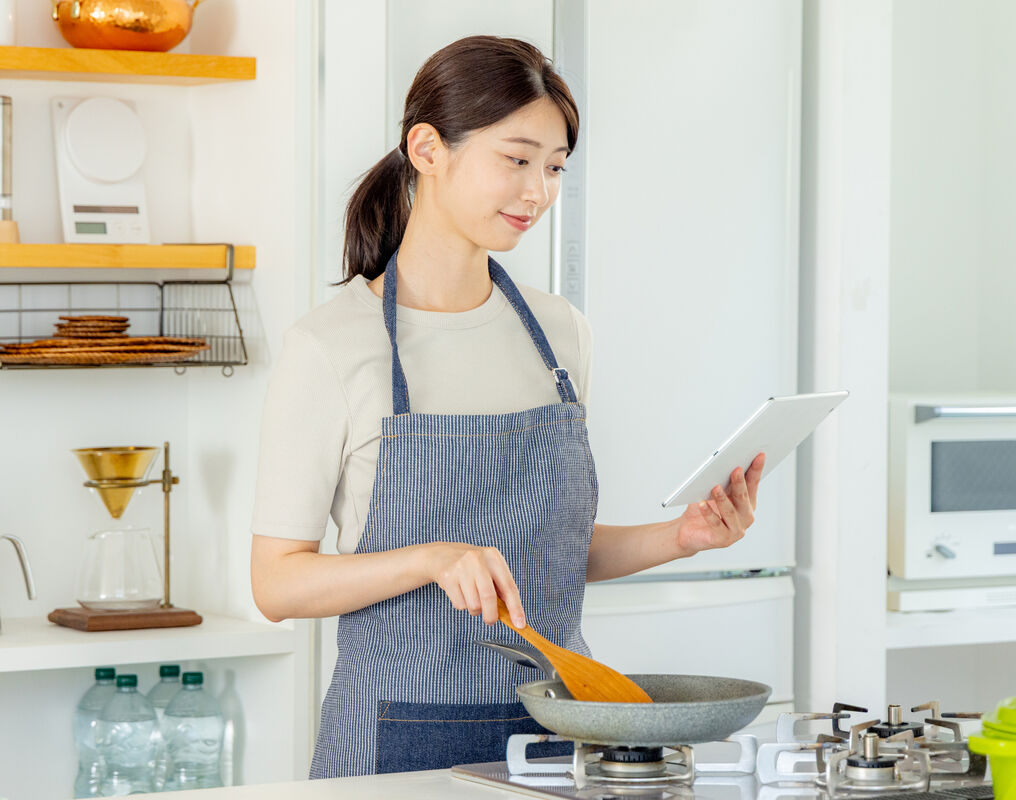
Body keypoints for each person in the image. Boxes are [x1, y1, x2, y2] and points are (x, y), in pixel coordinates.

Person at [249, 35, 766, 778]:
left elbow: (548, 555)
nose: (539, 191)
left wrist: (680, 537)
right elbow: (277, 583)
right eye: (517, 160)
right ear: (427, 149)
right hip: (393, 743)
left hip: (561, 733)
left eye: (555, 168)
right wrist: (433, 559)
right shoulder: (331, 347)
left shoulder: (560, 336)